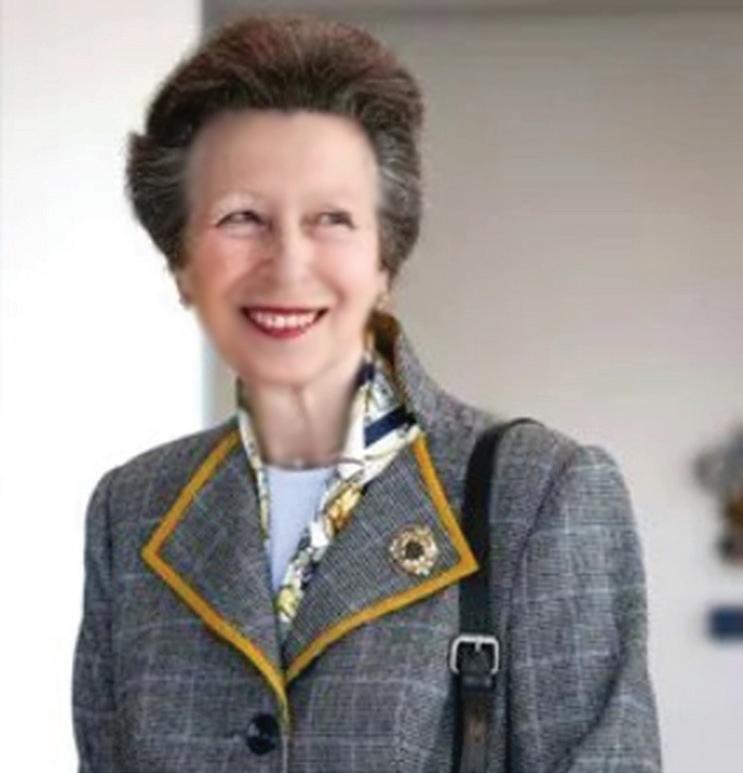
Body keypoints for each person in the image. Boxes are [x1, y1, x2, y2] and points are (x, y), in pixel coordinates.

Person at [72, 14, 662, 773]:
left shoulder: (542, 493)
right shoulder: (133, 510)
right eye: (241, 217)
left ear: (386, 258)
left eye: (332, 218)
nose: (288, 263)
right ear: (182, 264)